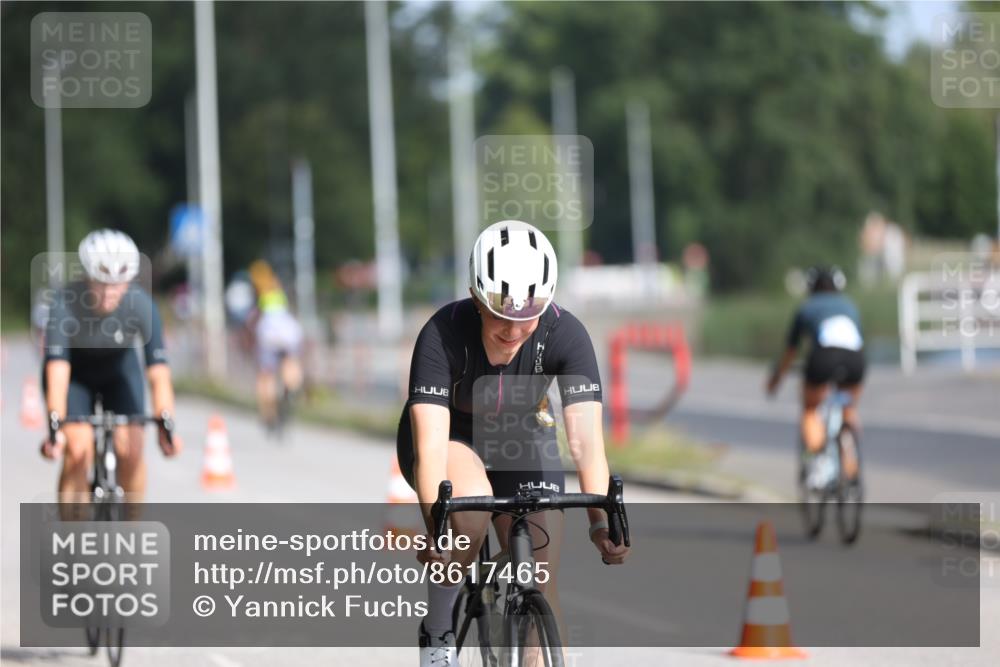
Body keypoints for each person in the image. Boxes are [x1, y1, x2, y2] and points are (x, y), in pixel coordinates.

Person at [396, 220, 629, 667]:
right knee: (470, 516)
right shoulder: (441, 335)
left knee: (540, 576)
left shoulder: (566, 335)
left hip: (519, 434)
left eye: (528, 316)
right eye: (501, 313)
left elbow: (587, 445)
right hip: (451, 436)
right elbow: (429, 450)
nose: (513, 329)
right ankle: (439, 627)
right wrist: (437, 531)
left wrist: (601, 522)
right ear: (475, 297)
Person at [41, 229, 182, 502]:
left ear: (129, 281)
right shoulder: (63, 304)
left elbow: (158, 373)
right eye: (100, 282)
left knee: (131, 449)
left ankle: (130, 530)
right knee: (78, 451)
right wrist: (55, 429)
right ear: (86, 277)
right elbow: (57, 372)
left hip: (119, 372)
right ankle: (71, 537)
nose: (109, 292)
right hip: (75, 375)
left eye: (118, 284)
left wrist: (167, 426)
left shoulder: (141, 305)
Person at [767, 266, 865, 481]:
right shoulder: (850, 306)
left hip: (824, 357)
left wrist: (774, 381)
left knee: (811, 408)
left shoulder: (807, 307)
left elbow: (789, 353)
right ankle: (850, 460)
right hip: (855, 359)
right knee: (849, 407)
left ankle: (818, 458)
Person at [247, 260, 304, 431]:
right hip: (289, 335)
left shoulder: (259, 298)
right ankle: (291, 387)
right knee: (290, 362)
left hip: (268, 338)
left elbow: (253, 321)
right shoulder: (280, 292)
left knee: (266, 376)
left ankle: (268, 412)